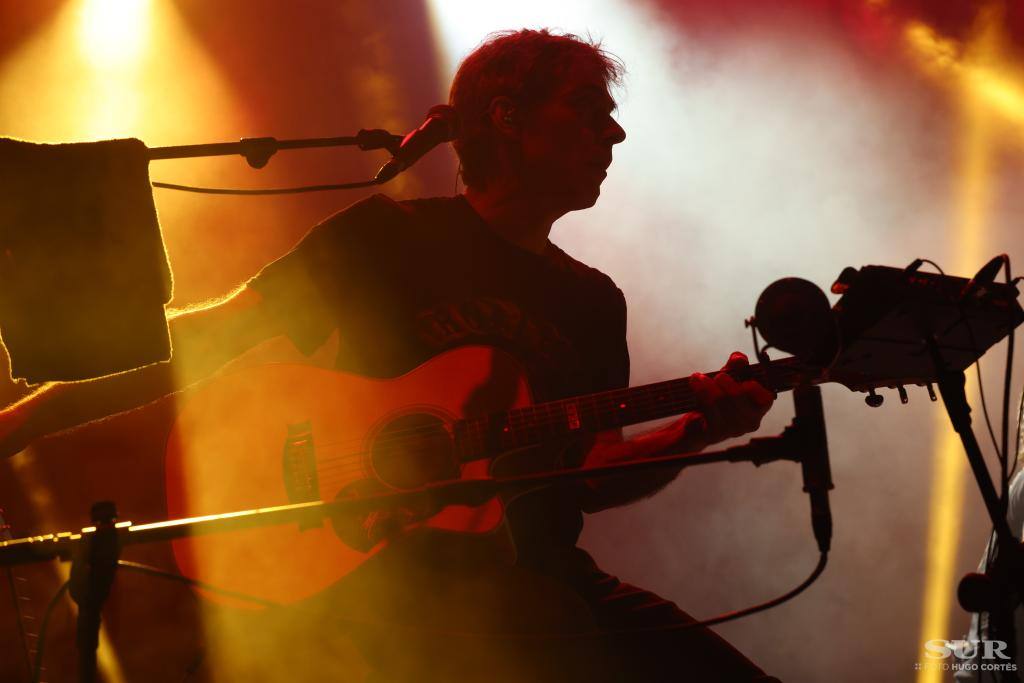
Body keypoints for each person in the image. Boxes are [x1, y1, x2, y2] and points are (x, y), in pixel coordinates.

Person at [0, 29, 779, 681]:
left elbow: (590, 470)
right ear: (506, 116)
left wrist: (695, 431)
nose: (612, 135)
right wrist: (23, 422)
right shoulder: (391, 238)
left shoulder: (593, 301)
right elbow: (203, 340)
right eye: (587, 111)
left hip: (536, 581)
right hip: (383, 580)